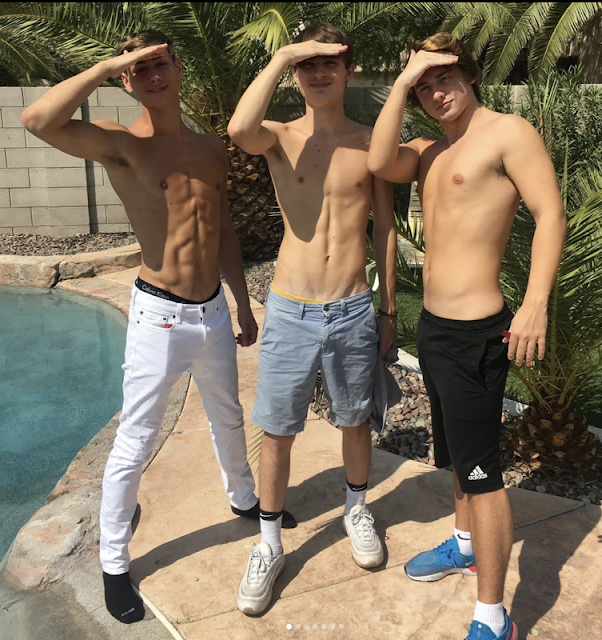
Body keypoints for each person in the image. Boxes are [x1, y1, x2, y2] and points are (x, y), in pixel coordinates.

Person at [21, 29, 294, 625]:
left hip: (213, 312)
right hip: (159, 316)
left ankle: (244, 499)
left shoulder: (212, 150)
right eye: (139, 69)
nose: (153, 75)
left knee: (228, 416)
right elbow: (37, 119)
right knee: (135, 441)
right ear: (126, 80)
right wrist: (104, 65)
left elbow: (222, 228)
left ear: (178, 67)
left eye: (160, 63)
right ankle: (113, 562)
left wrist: (242, 303)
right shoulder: (121, 144)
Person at [368, 33, 566, 640]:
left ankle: (493, 617)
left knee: (484, 476)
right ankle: (463, 545)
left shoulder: (509, 132)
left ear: (470, 74)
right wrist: (403, 81)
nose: (436, 92)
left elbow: (550, 214)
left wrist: (535, 305)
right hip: (433, 330)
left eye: (445, 77)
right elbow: (378, 162)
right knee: (457, 453)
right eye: (424, 86)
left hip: (477, 332)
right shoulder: (427, 151)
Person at [228, 22, 398, 616]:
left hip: (352, 306)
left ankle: (357, 508)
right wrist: (283, 54)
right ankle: (269, 543)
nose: (319, 73)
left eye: (331, 62)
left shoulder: (370, 142)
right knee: (277, 430)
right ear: (296, 73)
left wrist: (388, 307)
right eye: (309, 64)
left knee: (355, 420)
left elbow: (386, 228)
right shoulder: (278, 136)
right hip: (291, 308)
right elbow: (238, 130)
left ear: (349, 71)